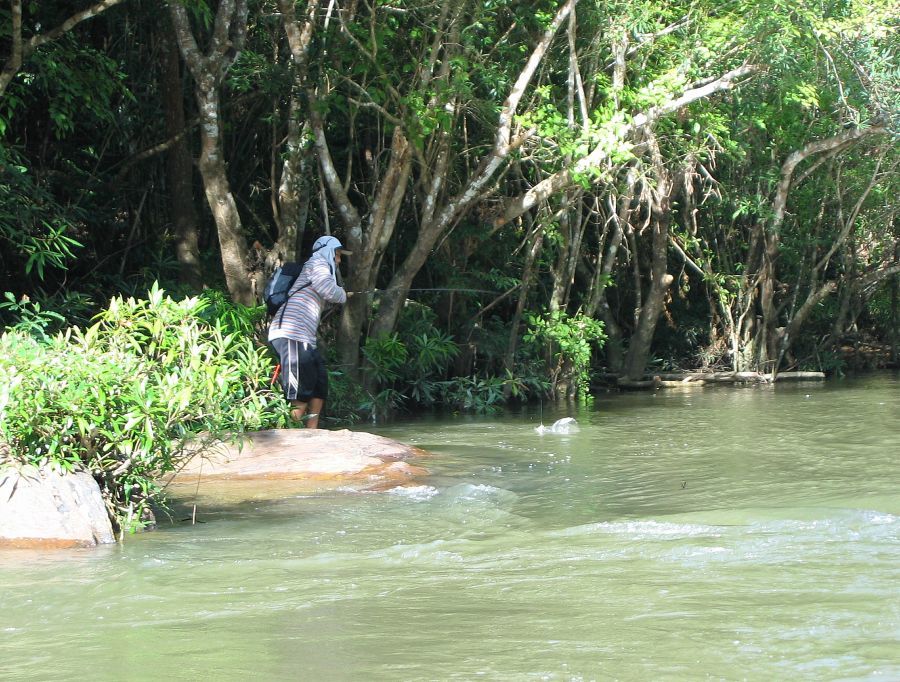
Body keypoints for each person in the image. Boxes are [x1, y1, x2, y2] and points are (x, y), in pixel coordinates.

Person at [268, 235, 351, 428]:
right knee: (301, 390)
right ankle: (290, 434)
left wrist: (340, 294)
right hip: (290, 333)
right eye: (337, 255)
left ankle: (311, 433)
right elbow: (329, 291)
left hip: (304, 338)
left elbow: (325, 292)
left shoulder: (320, 269)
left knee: (319, 385)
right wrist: (343, 294)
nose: (338, 260)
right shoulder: (318, 262)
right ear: (327, 251)